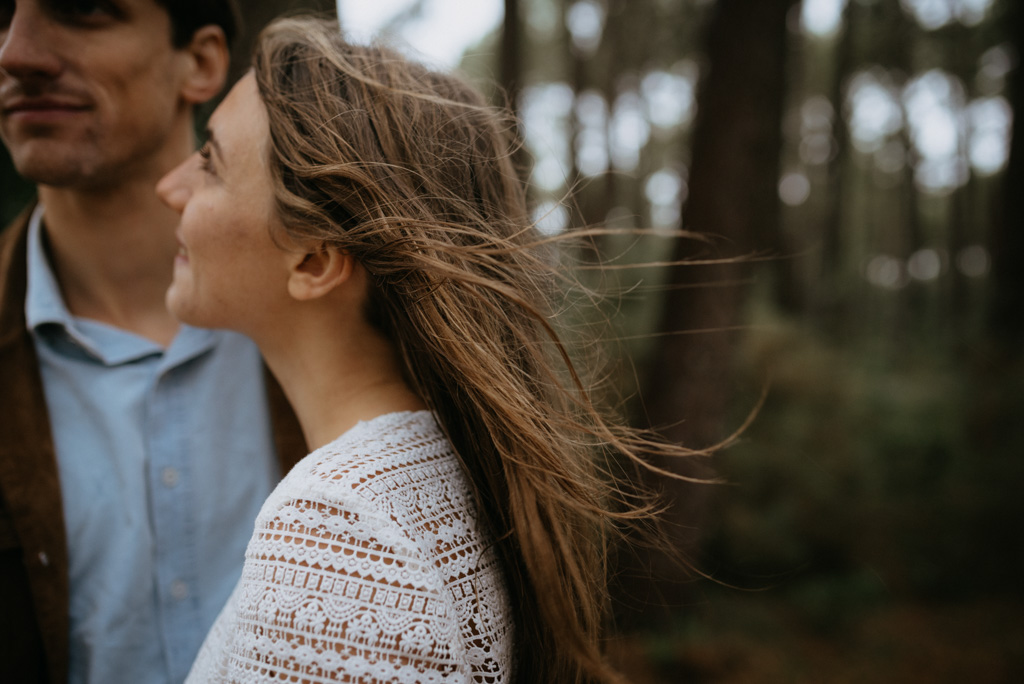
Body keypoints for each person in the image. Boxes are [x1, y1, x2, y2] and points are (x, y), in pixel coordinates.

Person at [158, 15, 698, 684]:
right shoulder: (434, 471)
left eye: (210, 163)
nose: (170, 187)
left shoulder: (338, 532)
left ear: (314, 259)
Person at [0, 2, 305, 682]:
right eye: (2, 15)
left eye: (80, 12)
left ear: (199, 63)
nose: (17, 54)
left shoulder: (338, 316)